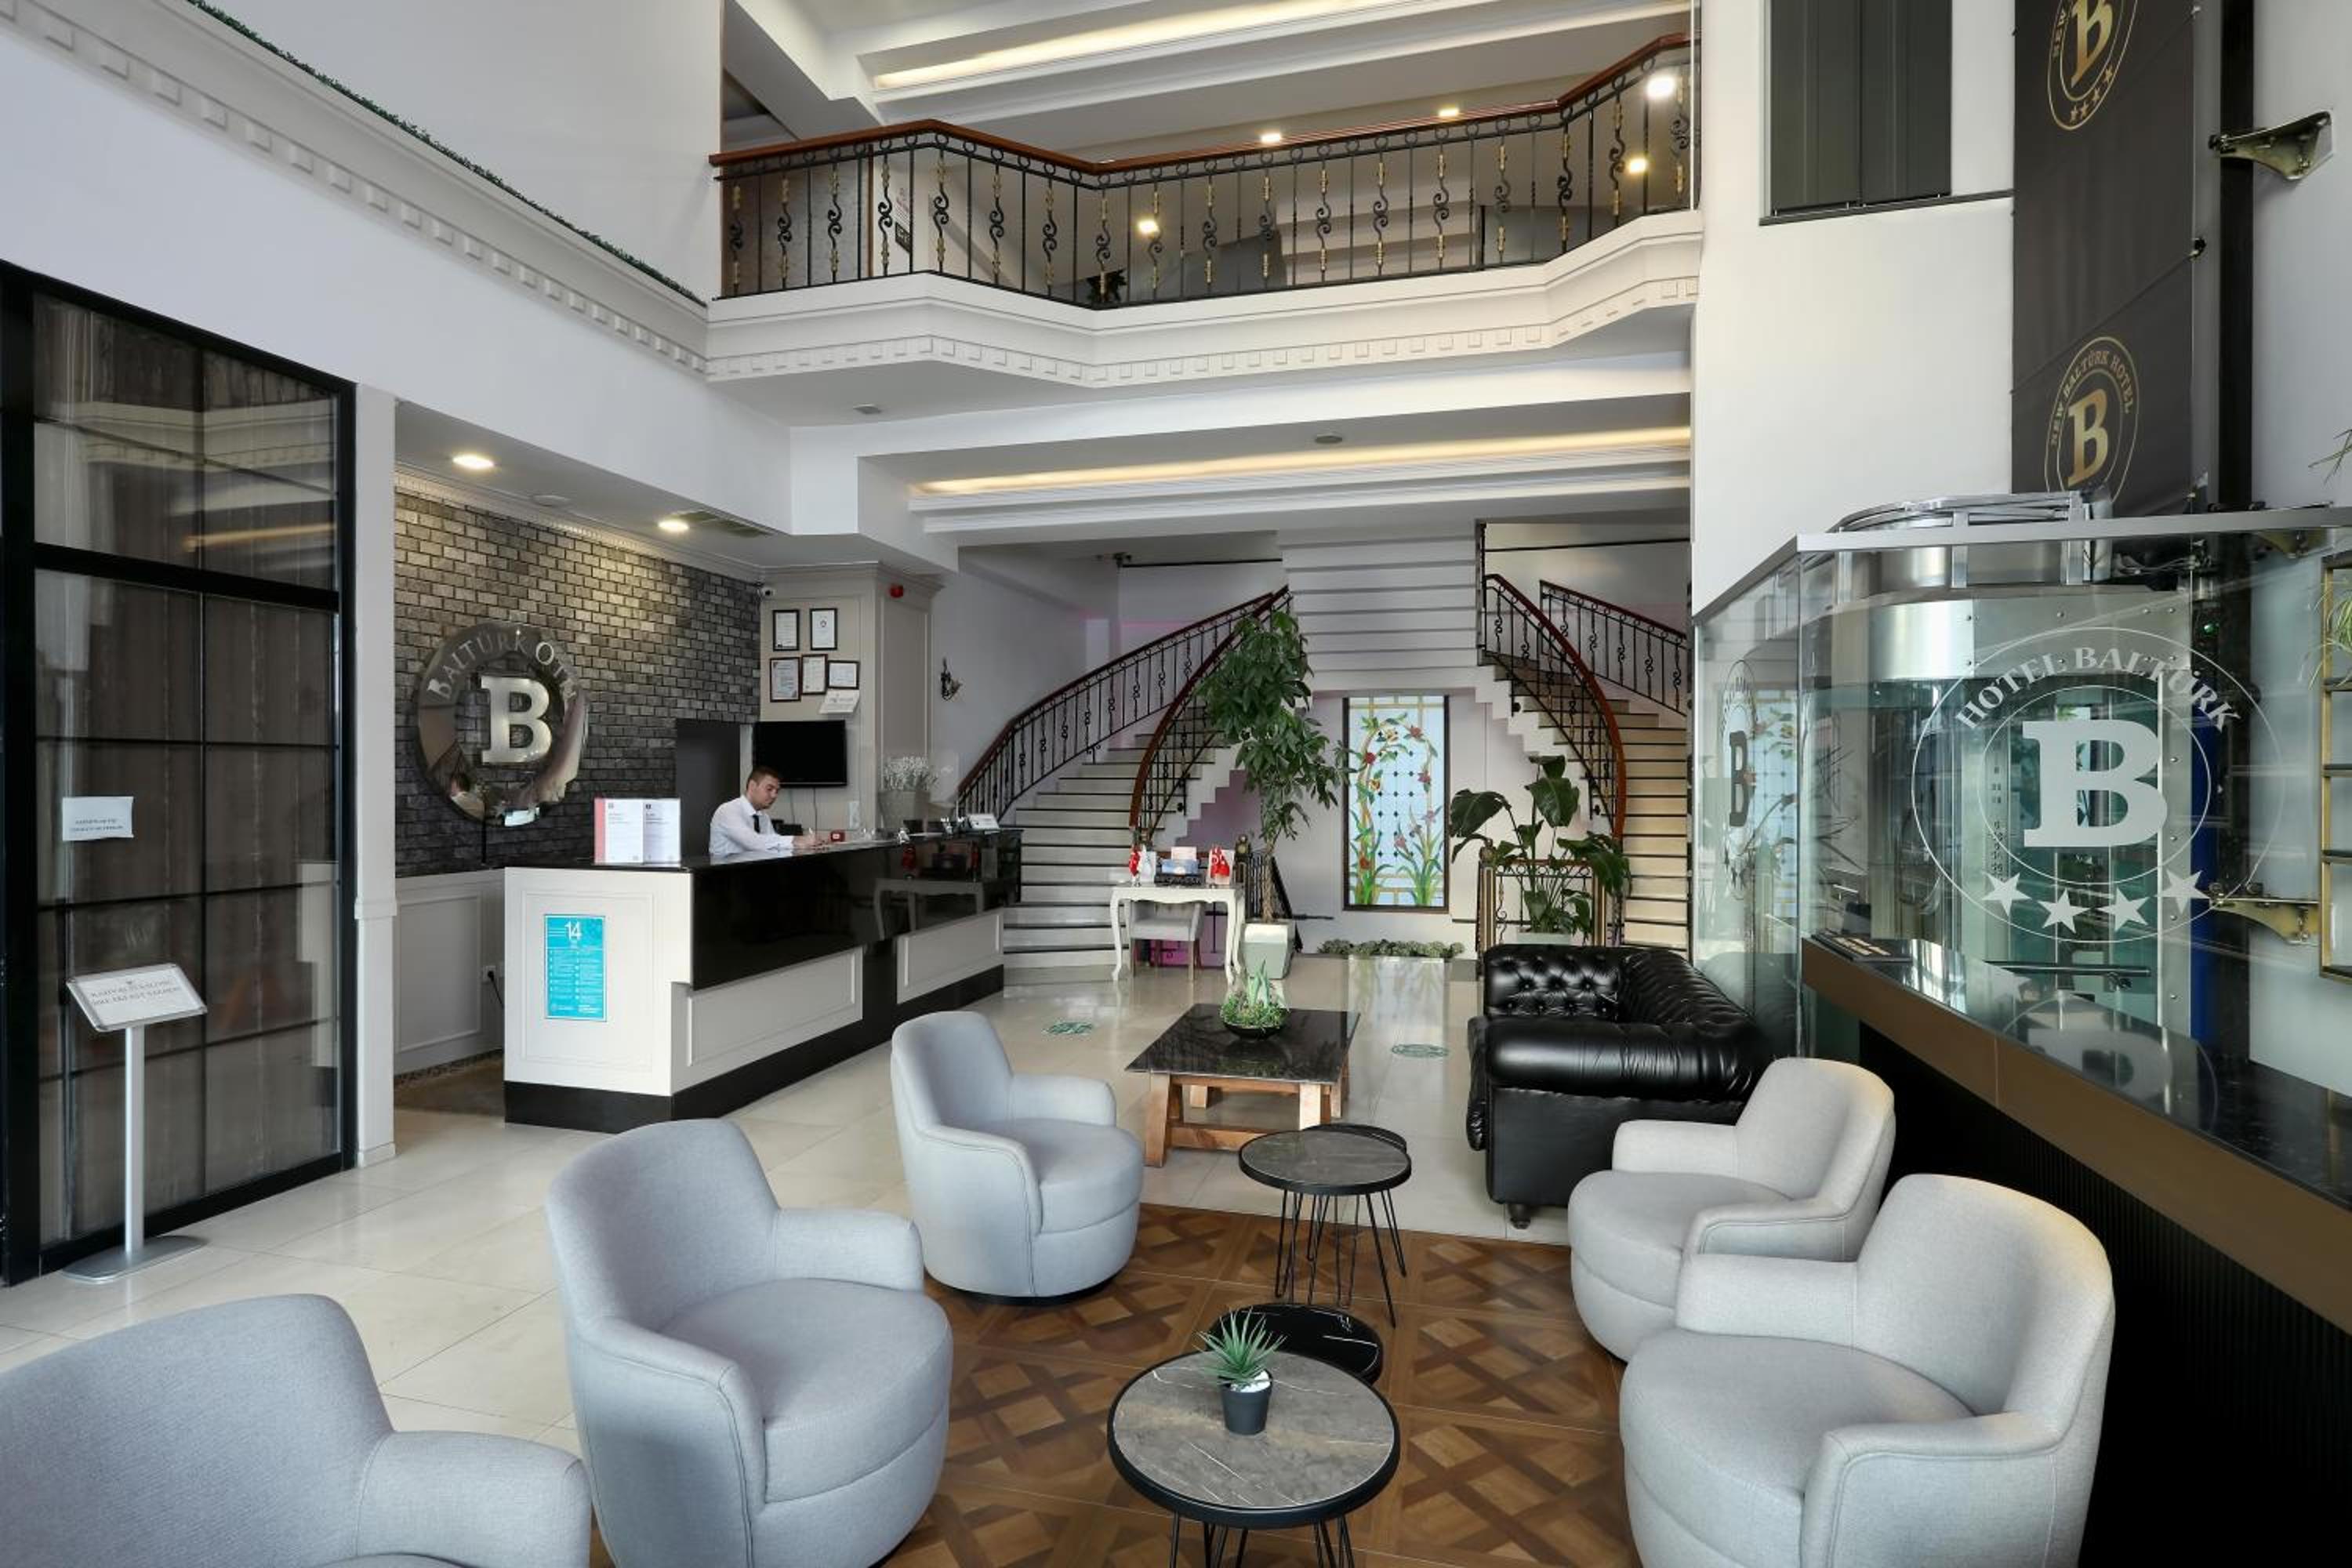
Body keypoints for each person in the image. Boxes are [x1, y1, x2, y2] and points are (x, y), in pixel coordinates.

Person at [710, 764, 792, 858]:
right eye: (769, 789)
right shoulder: (728, 810)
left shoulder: (764, 817)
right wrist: (794, 840)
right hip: (725, 867)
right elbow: (754, 843)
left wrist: (801, 843)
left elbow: (774, 845)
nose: (774, 796)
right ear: (752, 786)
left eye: (777, 791)